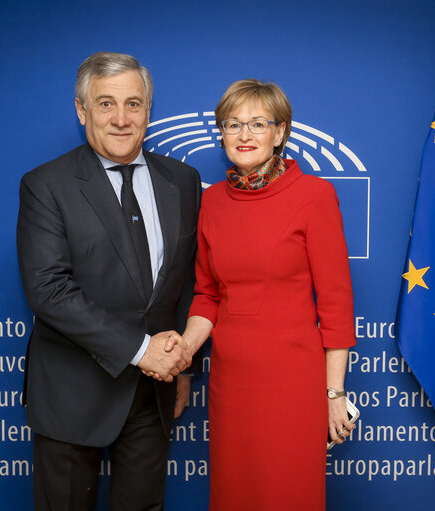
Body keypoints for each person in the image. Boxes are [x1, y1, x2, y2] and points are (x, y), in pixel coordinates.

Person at [158, 79, 357, 510]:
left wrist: (334, 395)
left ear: (280, 133)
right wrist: (186, 348)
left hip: (294, 385)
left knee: (288, 496)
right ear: (222, 134)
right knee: (235, 496)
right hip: (231, 385)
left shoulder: (315, 196)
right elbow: (207, 294)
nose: (244, 135)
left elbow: (337, 307)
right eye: (233, 124)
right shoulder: (212, 203)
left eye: (257, 124)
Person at [16, 51, 202, 511]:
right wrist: (144, 352)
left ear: (147, 111)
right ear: (82, 111)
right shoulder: (47, 185)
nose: (121, 119)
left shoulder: (183, 180)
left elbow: (187, 276)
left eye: (134, 104)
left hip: (152, 394)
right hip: (73, 393)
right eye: (105, 104)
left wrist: (182, 365)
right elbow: (48, 290)